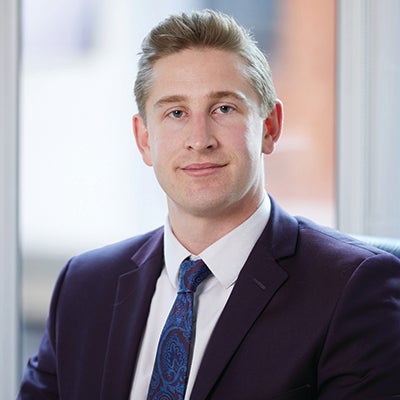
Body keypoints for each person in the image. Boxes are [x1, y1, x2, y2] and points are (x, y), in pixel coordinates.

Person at [18, 9, 400, 400]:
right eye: (176, 113)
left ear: (270, 127)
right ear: (144, 139)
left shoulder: (352, 288)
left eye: (223, 109)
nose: (200, 140)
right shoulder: (84, 287)